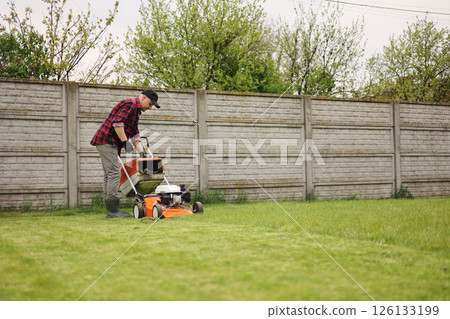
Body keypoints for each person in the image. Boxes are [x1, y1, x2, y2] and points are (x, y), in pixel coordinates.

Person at [90, 89, 161, 218]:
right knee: (114, 172)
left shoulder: (136, 111)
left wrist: (142, 153)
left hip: (109, 142)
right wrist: (125, 142)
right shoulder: (130, 104)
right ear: (143, 97)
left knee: (109, 174)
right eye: (150, 104)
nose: (150, 108)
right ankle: (113, 211)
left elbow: (134, 134)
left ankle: (111, 210)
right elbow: (118, 124)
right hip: (107, 140)